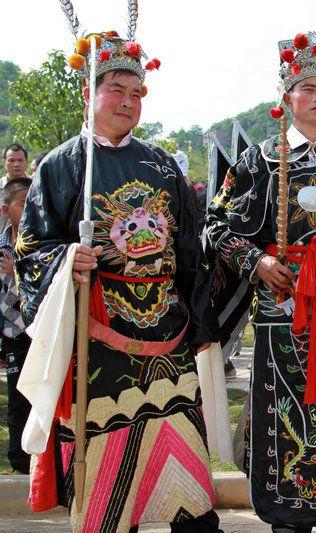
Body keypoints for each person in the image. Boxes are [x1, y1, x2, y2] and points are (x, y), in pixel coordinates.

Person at [15, 23, 221, 531]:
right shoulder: (61, 165)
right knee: (111, 485)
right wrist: (68, 259)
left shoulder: (162, 164)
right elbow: (31, 247)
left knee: (188, 481)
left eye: (137, 92)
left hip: (165, 336)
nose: (128, 101)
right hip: (100, 339)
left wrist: (197, 322)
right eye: (116, 89)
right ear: (92, 92)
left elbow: (190, 249)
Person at [206, 31, 316, 533]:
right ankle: (288, 511)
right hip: (283, 306)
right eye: (307, 87)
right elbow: (217, 226)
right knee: (284, 404)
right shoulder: (260, 161)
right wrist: (257, 264)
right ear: (287, 97)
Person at [1, 178, 32, 474]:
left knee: (41, 396)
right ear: (6, 209)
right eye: (23, 204)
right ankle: (19, 458)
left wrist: (17, 273)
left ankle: (47, 457)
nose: (30, 208)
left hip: (38, 331)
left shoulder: (38, 242)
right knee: (17, 398)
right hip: (12, 333)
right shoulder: (1, 245)